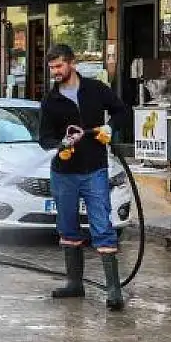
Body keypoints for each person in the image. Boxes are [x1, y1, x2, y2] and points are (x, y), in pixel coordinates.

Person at [39, 44, 130, 311]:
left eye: (59, 66)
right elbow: (44, 138)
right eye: (51, 68)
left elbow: (122, 111)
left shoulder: (95, 89)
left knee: (102, 225)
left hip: (94, 169)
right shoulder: (50, 100)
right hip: (64, 173)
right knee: (67, 226)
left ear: (72, 63)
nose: (55, 72)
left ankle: (113, 291)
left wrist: (109, 129)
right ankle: (74, 284)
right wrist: (60, 146)